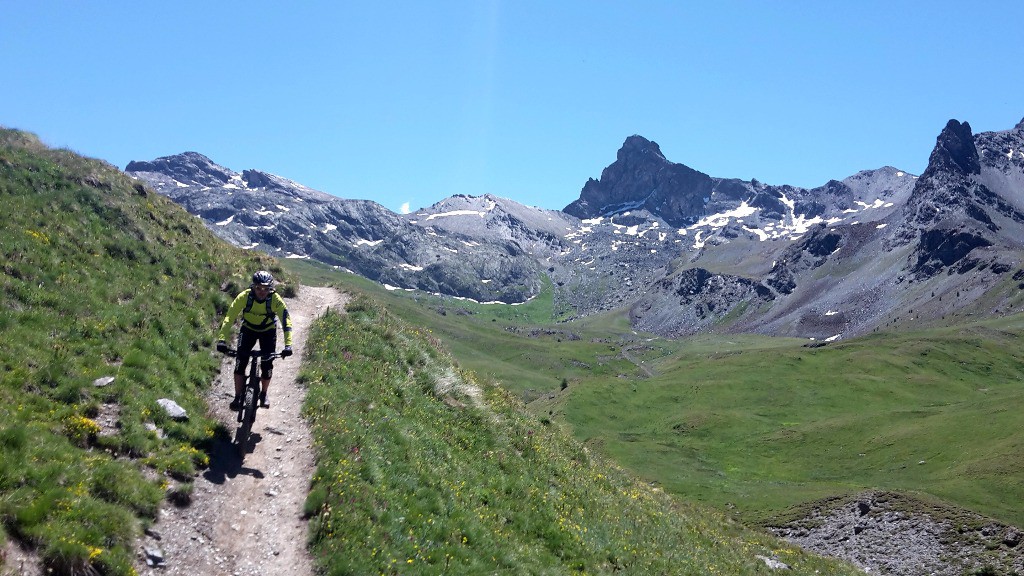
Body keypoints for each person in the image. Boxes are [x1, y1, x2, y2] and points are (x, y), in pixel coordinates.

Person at [215, 270, 293, 409]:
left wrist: (288, 345)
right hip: (248, 330)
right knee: (240, 363)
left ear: (271, 289)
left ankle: (263, 394)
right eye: (258, 288)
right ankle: (238, 396)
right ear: (253, 287)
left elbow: (286, 322)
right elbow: (229, 318)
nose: (262, 292)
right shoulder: (245, 297)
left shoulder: (275, 300)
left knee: (267, 365)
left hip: (268, 332)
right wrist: (221, 340)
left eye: (266, 289)